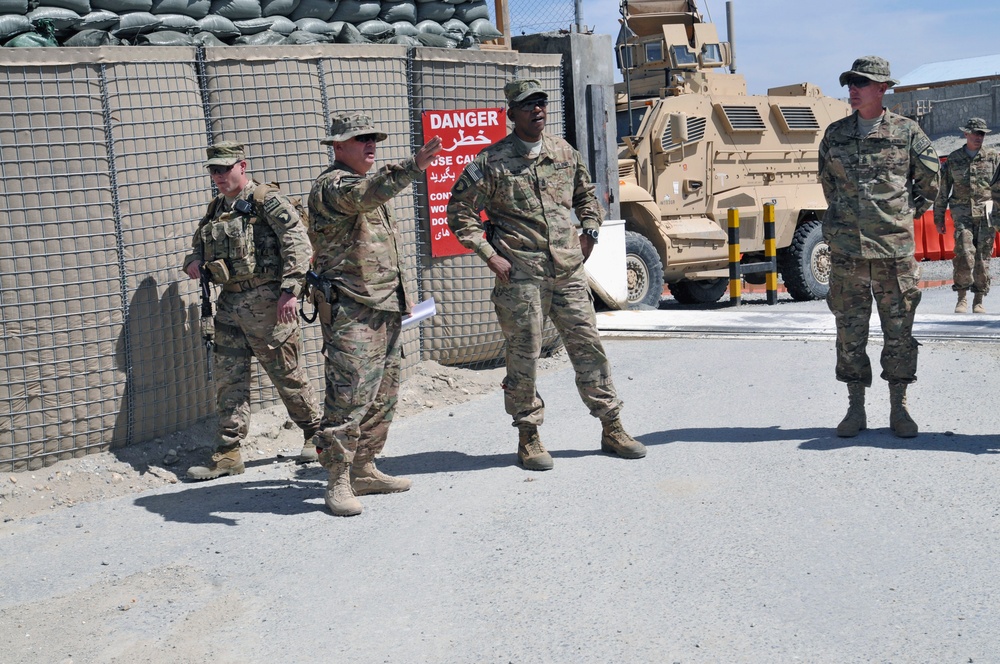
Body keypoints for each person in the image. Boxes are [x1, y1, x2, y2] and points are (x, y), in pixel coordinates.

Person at [446, 78, 646, 471]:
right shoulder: (491, 162)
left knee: (589, 348)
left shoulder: (563, 152)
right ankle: (528, 435)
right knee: (524, 357)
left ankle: (612, 426)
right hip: (521, 276)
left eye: (541, 102)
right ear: (511, 114)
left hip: (568, 272)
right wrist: (489, 255)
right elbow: (460, 214)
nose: (537, 109)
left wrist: (590, 231)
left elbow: (587, 194)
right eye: (527, 105)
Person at [307, 113, 442, 517]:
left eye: (373, 139)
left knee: (383, 395)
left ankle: (364, 467)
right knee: (348, 397)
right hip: (351, 309)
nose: (370, 144)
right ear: (338, 147)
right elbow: (366, 194)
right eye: (360, 139)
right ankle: (337, 479)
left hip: (384, 305)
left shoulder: (366, 187)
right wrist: (412, 166)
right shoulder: (333, 185)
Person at [182, 141, 322, 479]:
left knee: (286, 375)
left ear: (241, 167)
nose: (218, 176)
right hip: (229, 305)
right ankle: (228, 452)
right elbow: (198, 243)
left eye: (224, 169)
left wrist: (290, 291)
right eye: (213, 170)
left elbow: (297, 242)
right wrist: (193, 261)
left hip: (268, 304)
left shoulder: (266, 200)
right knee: (229, 379)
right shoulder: (217, 207)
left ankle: (316, 433)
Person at [819, 57, 940, 439]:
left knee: (899, 333)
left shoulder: (907, 132)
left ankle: (898, 407)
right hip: (847, 255)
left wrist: (896, 217)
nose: (853, 89)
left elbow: (930, 185)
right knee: (849, 334)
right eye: (850, 82)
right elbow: (828, 185)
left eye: (862, 82)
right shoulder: (835, 134)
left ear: (883, 88)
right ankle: (855, 408)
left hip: (893, 255)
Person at [934, 118, 1000, 314]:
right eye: (976, 133)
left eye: (982, 134)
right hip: (962, 212)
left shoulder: (993, 158)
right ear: (966, 134)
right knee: (964, 252)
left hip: (987, 212)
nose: (979, 137)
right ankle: (961, 297)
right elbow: (942, 190)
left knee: (982, 257)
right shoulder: (953, 159)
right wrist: (938, 218)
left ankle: (978, 299)